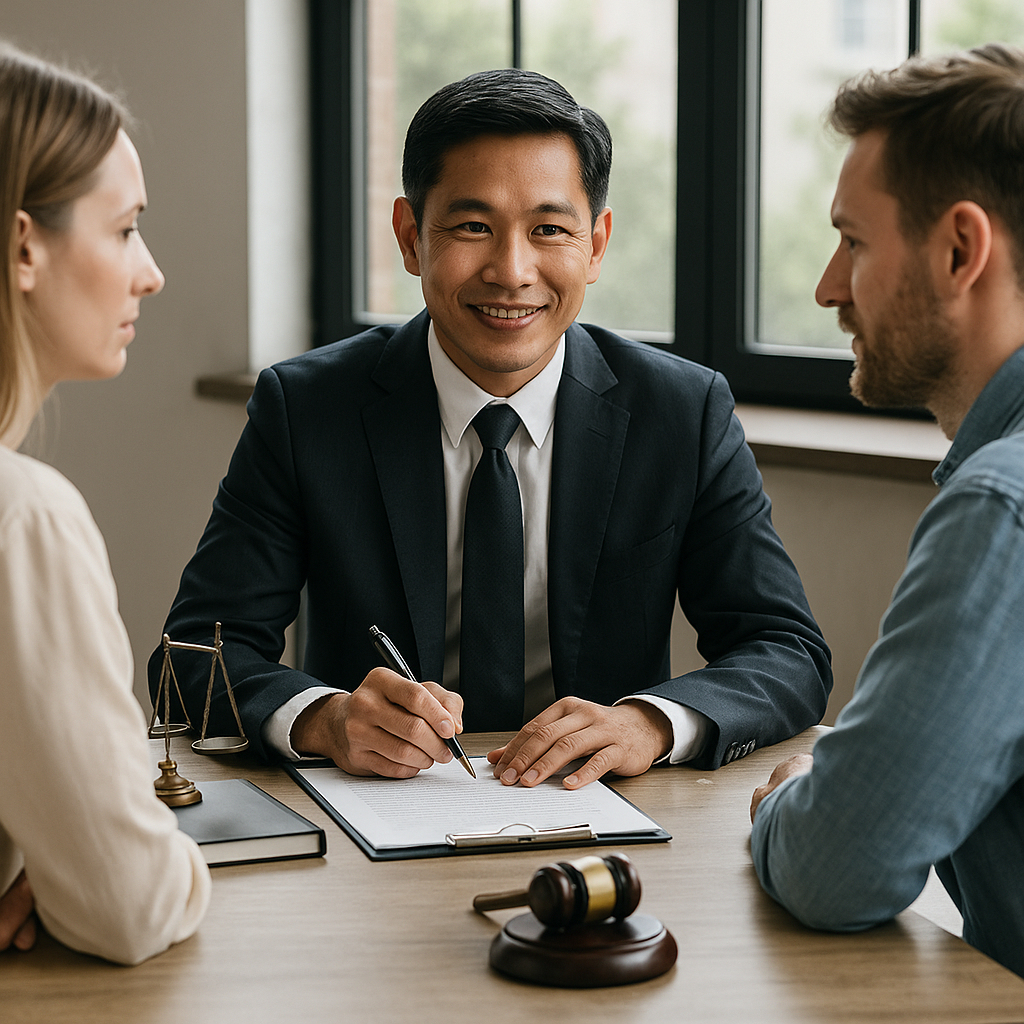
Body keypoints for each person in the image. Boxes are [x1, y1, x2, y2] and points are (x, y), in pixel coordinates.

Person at [152, 69, 831, 789]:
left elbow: (785, 650)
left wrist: (650, 724)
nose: (511, 271)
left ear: (596, 245)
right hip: (375, 808)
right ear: (410, 237)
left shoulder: (682, 412)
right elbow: (191, 657)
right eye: (473, 227)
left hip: (608, 812)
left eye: (549, 229)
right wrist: (325, 718)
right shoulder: (306, 409)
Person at [749, 43, 1024, 978]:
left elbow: (837, 867)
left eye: (855, 242)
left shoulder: (1002, 508)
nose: (829, 286)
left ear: (960, 250)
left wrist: (798, 797)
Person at [0, 42, 210, 964]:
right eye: (124, 230)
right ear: (24, 247)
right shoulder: (24, 519)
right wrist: (150, 860)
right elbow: (132, 908)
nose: (149, 272)